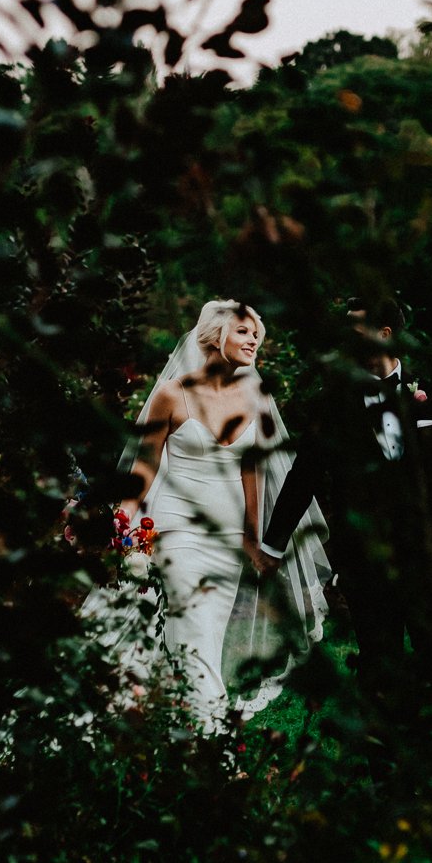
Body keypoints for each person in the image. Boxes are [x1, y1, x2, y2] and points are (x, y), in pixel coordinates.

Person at [106, 299, 332, 727]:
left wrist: (251, 538)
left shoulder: (254, 396)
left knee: (202, 638)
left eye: (257, 336)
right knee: (193, 633)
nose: (254, 341)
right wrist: (123, 523)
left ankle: (169, 731)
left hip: (227, 540)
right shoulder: (173, 394)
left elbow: (254, 472)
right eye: (244, 332)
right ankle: (215, 746)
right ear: (215, 335)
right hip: (177, 534)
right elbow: (145, 466)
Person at [260, 299, 432, 718]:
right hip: (364, 558)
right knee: (378, 663)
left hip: (428, 554)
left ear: (385, 334)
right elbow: (304, 476)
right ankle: (384, 756)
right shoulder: (333, 403)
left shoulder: (430, 396)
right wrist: (272, 545)